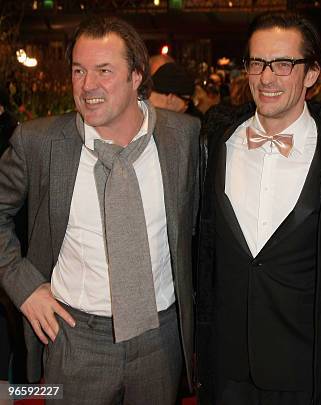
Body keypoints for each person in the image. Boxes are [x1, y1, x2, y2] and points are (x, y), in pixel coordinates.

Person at [0, 16, 200, 405]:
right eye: (79, 71)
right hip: (75, 339)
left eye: (104, 71)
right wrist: (23, 287)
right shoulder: (40, 142)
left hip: (161, 340)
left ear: (137, 76)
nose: (87, 85)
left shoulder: (184, 136)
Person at [196, 11, 321, 405]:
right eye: (257, 63)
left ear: (311, 74)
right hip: (226, 371)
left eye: (283, 64)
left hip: (306, 373)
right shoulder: (213, 143)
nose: (267, 77)